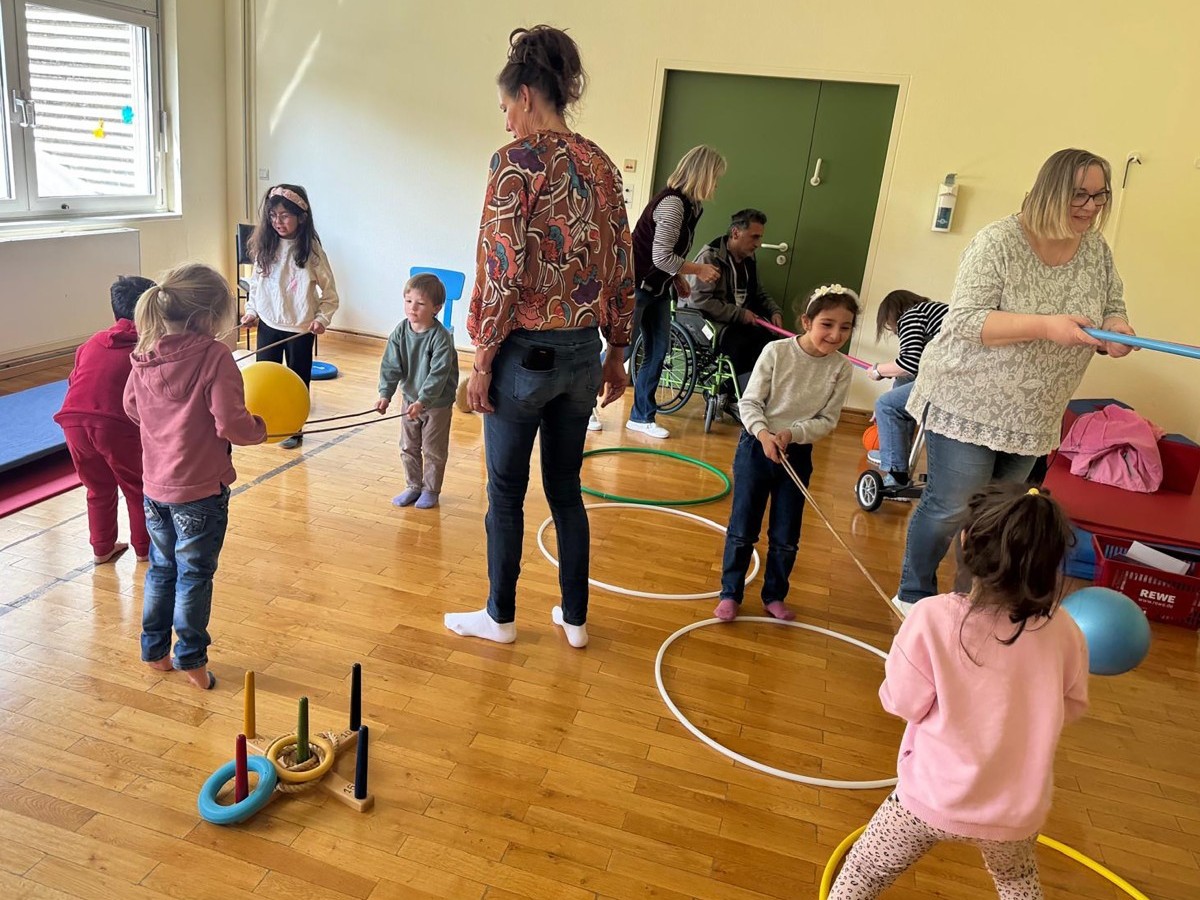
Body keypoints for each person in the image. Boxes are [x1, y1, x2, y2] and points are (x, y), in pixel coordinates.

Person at [448, 25, 634, 649]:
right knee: (565, 489)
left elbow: (500, 269)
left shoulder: (514, 165)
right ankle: (574, 620)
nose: (505, 124)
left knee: (505, 491)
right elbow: (621, 264)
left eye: (505, 108)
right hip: (584, 357)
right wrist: (619, 353)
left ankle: (500, 616)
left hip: (523, 357)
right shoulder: (602, 166)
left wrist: (480, 359)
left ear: (526, 95)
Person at [895, 148, 1136, 617]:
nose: (1090, 207)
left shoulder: (1095, 250)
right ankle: (914, 597)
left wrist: (1118, 330)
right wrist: (1047, 325)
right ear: (1051, 190)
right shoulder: (999, 241)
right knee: (951, 507)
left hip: (1034, 412)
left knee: (1000, 517)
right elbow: (966, 320)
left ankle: (971, 605)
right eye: (1079, 195)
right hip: (968, 400)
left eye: (1099, 195)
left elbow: (1113, 303)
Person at [829, 484, 1088, 899]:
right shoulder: (1066, 630)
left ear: (965, 543)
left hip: (928, 800)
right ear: (1049, 561)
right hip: (1014, 812)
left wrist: (903, 656)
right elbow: (1071, 705)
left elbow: (902, 702)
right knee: (1017, 881)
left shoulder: (931, 618)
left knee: (864, 872)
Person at [124, 264, 268, 690]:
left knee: (162, 569)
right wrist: (260, 429)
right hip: (200, 493)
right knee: (194, 576)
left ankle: (154, 650)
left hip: (154, 488)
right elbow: (232, 423)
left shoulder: (144, 353)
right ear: (208, 317)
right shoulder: (214, 356)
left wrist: (164, 426)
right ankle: (191, 658)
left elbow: (132, 408)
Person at [715, 285, 857, 622]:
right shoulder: (776, 352)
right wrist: (764, 435)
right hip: (756, 447)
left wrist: (793, 433)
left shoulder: (842, 368)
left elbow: (828, 420)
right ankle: (730, 593)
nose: (836, 334)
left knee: (786, 533)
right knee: (742, 527)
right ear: (806, 322)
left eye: (846, 327)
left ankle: (774, 595)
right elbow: (749, 402)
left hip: (798, 452)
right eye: (827, 324)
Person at [623, 145, 725, 439]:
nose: (717, 183)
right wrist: (697, 271)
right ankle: (584, 408)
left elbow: (669, 258)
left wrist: (677, 278)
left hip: (658, 287)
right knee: (624, 349)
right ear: (703, 174)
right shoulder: (672, 204)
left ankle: (641, 416)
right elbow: (661, 258)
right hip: (637, 287)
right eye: (715, 177)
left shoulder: (694, 206)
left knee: (657, 350)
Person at [54, 275, 156, 564]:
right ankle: (144, 550)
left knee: (97, 487)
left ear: (114, 312)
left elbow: (74, 380)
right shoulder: (147, 347)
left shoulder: (92, 342)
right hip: (114, 425)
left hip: (73, 421)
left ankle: (102, 549)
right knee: (137, 488)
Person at [241, 183, 340, 449]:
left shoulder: (311, 251)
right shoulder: (265, 246)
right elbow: (256, 285)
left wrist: (321, 318)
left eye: (284, 215)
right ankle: (266, 426)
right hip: (269, 324)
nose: (278, 221)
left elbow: (330, 294)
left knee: (297, 381)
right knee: (266, 379)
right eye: (273, 216)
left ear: (301, 216)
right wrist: (252, 311)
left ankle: (294, 428)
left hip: (300, 328)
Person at [375, 273, 459, 510]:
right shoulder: (401, 332)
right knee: (408, 446)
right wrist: (385, 394)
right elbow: (391, 365)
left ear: (436, 308)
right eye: (408, 301)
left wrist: (424, 401)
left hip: (436, 403)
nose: (413, 308)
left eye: (420, 303)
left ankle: (431, 489)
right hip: (410, 399)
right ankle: (413, 485)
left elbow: (439, 374)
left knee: (433, 449)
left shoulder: (441, 338)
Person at [680, 208, 784, 396]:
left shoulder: (749, 259)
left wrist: (775, 312)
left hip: (737, 321)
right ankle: (744, 400)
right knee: (742, 345)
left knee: (770, 344)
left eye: (760, 238)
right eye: (754, 237)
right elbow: (701, 301)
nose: (758, 244)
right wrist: (740, 314)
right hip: (710, 323)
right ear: (736, 233)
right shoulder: (710, 257)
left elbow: (759, 293)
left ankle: (734, 393)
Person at [865, 290, 948, 489]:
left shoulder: (912, 315)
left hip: (948, 379)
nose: (893, 330)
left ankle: (896, 475)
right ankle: (896, 454)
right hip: (951, 373)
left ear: (893, 313)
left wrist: (878, 370)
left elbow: (908, 363)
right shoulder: (932, 311)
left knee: (885, 405)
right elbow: (915, 368)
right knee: (901, 386)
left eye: (888, 324)